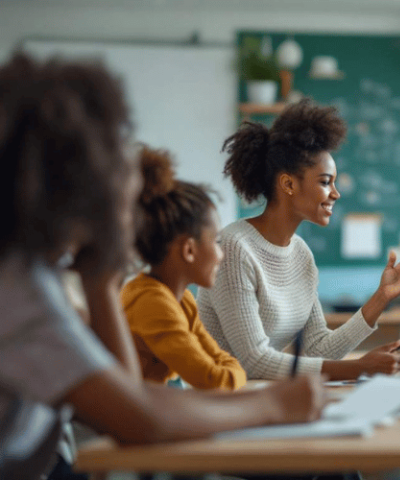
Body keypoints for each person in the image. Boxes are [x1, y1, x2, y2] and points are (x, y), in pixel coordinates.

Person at [0, 53, 324, 479]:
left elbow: (130, 395)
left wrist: (101, 278)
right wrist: (274, 404)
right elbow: (138, 419)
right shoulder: (20, 293)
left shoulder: (40, 278)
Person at [197, 98, 400, 380]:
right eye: (325, 182)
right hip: (219, 399)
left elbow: (317, 349)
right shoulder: (234, 247)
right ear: (288, 184)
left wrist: (381, 297)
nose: (336, 193)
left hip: (262, 397)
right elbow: (254, 361)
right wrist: (360, 367)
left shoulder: (301, 254)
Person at [121, 145, 247, 390]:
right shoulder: (151, 301)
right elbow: (214, 380)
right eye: (216, 242)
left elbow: (220, 361)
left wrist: (231, 373)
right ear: (189, 250)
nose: (221, 255)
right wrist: (233, 374)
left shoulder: (182, 300)